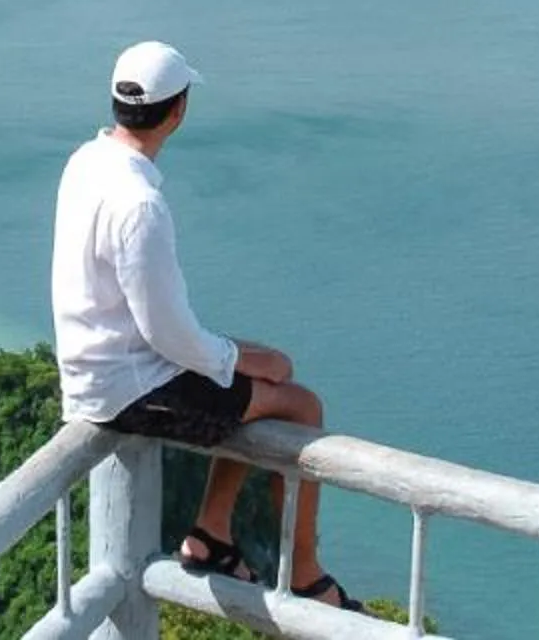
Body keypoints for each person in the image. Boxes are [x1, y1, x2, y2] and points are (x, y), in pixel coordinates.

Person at [49, 39, 363, 611]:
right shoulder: (139, 203)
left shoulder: (86, 163)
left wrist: (235, 358)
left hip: (97, 368)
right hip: (129, 390)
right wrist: (237, 359)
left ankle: (212, 533)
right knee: (299, 403)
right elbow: (168, 333)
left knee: (256, 369)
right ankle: (305, 572)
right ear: (178, 111)